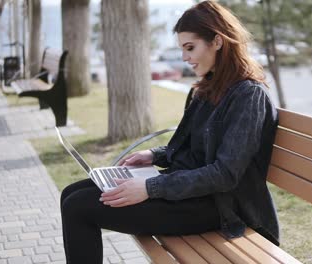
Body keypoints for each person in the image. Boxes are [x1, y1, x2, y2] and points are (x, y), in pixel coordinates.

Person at [60, 1, 279, 263]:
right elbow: (195, 149)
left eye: (190, 47)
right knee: (70, 194)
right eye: (182, 49)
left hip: (218, 207)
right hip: (187, 190)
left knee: (78, 208)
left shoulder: (248, 96)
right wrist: (154, 156)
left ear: (218, 41)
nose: (185, 57)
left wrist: (150, 187)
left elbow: (225, 174)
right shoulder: (209, 87)